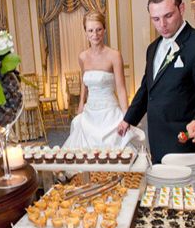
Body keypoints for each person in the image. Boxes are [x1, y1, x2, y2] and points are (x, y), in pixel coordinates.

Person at [117, 0, 195, 171]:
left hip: (184, 141)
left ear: (181, 9)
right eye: (155, 19)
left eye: (168, 16)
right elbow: (147, 88)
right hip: (157, 138)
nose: (162, 25)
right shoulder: (153, 48)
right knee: (164, 195)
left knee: (191, 197)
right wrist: (129, 119)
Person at [62, 10, 144, 149]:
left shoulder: (114, 55)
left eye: (99, 29)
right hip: (90, 112)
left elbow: (121, 88)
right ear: (86, 32)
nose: (95, 34)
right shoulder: (82, 57)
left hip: (110, 111)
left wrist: (126, 116)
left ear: (104, 30)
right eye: (91, 30)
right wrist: (81, 103)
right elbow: (85, 82)